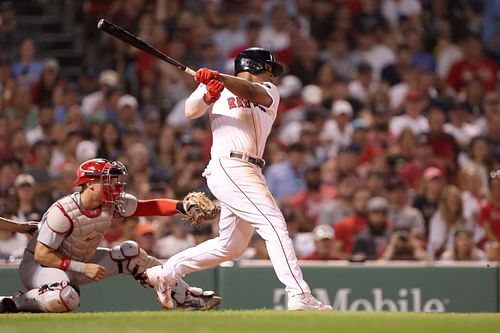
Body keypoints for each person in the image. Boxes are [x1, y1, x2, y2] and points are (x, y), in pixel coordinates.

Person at [146, 47, 332, 311]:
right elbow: (190, 111)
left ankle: (166, 273)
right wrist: (208, 95)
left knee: (231, 246)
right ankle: (299, 294)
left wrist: (218, 79)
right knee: (274, 224)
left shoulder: (268, 90)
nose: (272, 75)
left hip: (250, 169)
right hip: (228, 164)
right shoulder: (215, 85)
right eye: (269, 68)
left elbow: (250, 92)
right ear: (255, 65)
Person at [0, 158, 220, 313]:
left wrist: (181, 206)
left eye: (115, 179)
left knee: (132, 254)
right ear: (90, 184)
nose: (114, 185)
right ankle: (17, 302)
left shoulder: (111, 202)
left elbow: (148, 207)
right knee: (66, 298)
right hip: (40, 268)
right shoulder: (63, 211)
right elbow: (41, 255)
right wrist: (82, 268)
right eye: (107, 180)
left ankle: (186, 296)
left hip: (77, 262)